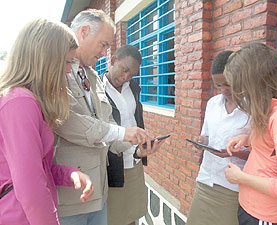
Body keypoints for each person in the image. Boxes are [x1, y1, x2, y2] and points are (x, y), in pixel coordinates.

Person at [54, 9, 155, 225]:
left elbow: (106, 124)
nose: (105, 52)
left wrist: (133, 145)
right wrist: (122, 132)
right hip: (73, 193)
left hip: (98, 189)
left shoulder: (90, 76)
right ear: (83, 32)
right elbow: (68, 121)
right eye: (103, 44)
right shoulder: (57, 70)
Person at [0, 19, 93, 225]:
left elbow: (38, 168)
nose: (69, 71)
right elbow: (30, 187)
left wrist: (71, 174)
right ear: (46, 60)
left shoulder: (22, 100)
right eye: (67, 62)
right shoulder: (20, 102)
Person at [224, 43, 277, 225]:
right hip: (253, 210)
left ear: (257, 83)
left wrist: (241, 178)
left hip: (268, 217)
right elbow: (274, 146)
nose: (244, 96)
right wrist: (249, 140)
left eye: (243, 89)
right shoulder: (275, 107)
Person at [185, 50, 250, 225]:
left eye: (227, 84)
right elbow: (207, 136)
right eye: (218, 85)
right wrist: (201, 142)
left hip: (232, 187)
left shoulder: (253, 110)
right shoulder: (213, 104)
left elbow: (260, 153)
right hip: (206, 179)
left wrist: (234, 153)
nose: (224, 90)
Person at [102, 45, 164, 225]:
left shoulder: (133, 88)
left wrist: (143, 146)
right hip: (113, 164)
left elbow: (135, 119)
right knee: (115, 217)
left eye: (132, 74)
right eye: (124, 70)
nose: (126, 77)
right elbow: (103, 131)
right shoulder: (97, 90)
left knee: (133, 215)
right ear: (112, 61)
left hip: (135, 161)